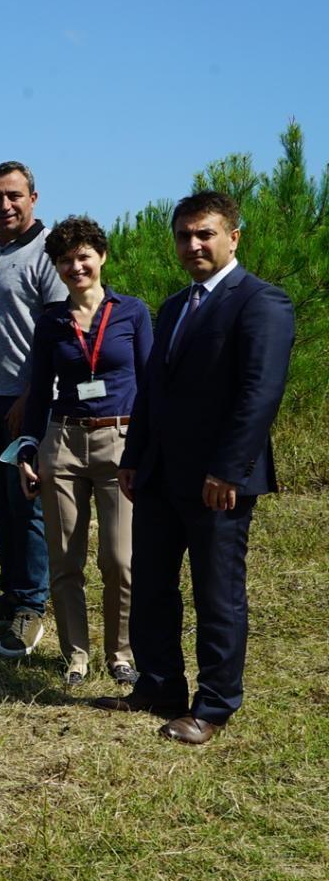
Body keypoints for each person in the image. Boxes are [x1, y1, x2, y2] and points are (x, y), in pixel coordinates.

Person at [95, 191, 295, 745]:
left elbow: (260, 394)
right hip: (159, 476)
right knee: (153, 586)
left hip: (218, 482)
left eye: (205, 233)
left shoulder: (261, 303)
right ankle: (158, 685)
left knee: (217, 594)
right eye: (184, 234)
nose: (193, 244)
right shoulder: (177, 305)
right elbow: (154, 391)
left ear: (234, 236)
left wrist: (228, 469)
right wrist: (135, 460)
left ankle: (213, 706)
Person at [12, 217, 151, 684]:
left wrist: (152, 446)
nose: (76, 266)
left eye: (84, 256)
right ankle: (76, 656)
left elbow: (151, 386)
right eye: (66, 260)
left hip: (121, 442)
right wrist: (27, 451)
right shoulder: (50, 321)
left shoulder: (131, 312)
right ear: (56, 266)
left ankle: (121, 654)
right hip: (64, 442)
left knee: (120, 559)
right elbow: (37, 392)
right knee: (66, 559)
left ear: (102, 257)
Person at [0, 161, 68, 656]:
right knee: (0, 500)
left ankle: (30, 608)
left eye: (14, 196)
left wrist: (32, 395)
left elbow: (60, 331)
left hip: (26, 402)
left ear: (33, 198)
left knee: (27, 502)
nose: (5, 205)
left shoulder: (49, 254)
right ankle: (10, 593)